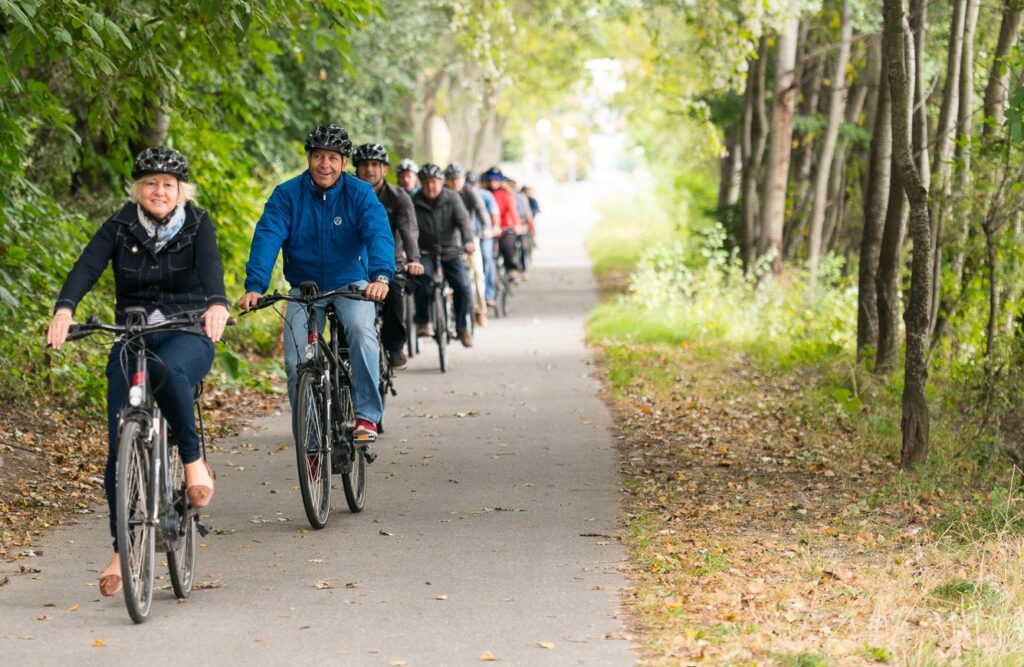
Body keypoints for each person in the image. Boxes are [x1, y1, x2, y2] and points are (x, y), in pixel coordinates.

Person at [47, 147, 230, 597]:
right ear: (138, 189)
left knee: (169, 371)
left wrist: (217, 305)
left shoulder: (198, 224)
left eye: (168, 184)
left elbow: (211, 270)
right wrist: (65, 308)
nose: (159, 191)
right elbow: (87, 266)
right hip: (130, 333)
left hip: (187, 330)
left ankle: (192, 463)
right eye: (151, 183)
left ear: (180, 190)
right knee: (118, 443)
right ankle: (122, 549)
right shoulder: (120, 225)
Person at [239, 124, 394, 443]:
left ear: (343, 162)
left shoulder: (359, 193)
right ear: (309, 158)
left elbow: (377, 233)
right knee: (297, 362)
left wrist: (380, 276)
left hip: (350, 283)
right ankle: (309, 438)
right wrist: (256, 284)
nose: (325, 164)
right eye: (319, 156)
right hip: (304, 287)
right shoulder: (287, 195)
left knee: (362, 333)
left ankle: (366, 415)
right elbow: (267, 236)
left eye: (333, 158)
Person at [352, 142, 424, 370]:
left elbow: (409, 229)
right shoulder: (346, 194)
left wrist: (413, 259)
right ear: (355, 168)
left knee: (394, 292)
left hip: (390, 262)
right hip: (355, 264)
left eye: (375, 165)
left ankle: (393, 346)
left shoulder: (398, 197)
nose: (369, 170)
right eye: (364, 165)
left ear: (385, 169)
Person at [412, 163, 475, 347]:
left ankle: (462, 328)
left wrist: (468, 241)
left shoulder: (452, 198)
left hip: (451, 250)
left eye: (435, 182)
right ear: (421, 183)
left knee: (462, 287)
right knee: (421, 279)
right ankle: (423, 321)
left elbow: (464, 221)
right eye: (427, 183)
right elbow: (407, 227)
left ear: (441, 183)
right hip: (425, 251)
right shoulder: (414, 201)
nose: (431, 186)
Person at [444, 163, 491, 326]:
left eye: (457, 179)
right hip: (448, 240)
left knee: (478, 272)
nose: (454, 182)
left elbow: (481, 211)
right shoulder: (441, 193)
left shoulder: (470, 192)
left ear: (463, 179)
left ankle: (479, 311)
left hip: (469, 238)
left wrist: (486, 228)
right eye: (451, 179)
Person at [482, 166, 522, 282]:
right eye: (490, 180)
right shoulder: (484, 193)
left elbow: (513, 210)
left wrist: (517, 224)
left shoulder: (506, 193)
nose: (492, 182)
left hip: (506, 227)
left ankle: (512, 269)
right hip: (489, 228)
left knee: (507, 247)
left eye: (495, 179)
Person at [472, 170, 501, 309]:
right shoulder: (459, 196)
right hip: (469, 236)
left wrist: (494, 227)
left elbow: (494, 213)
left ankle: (489, 294)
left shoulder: (485, 195)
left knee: (487, 258)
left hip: (484, 234)